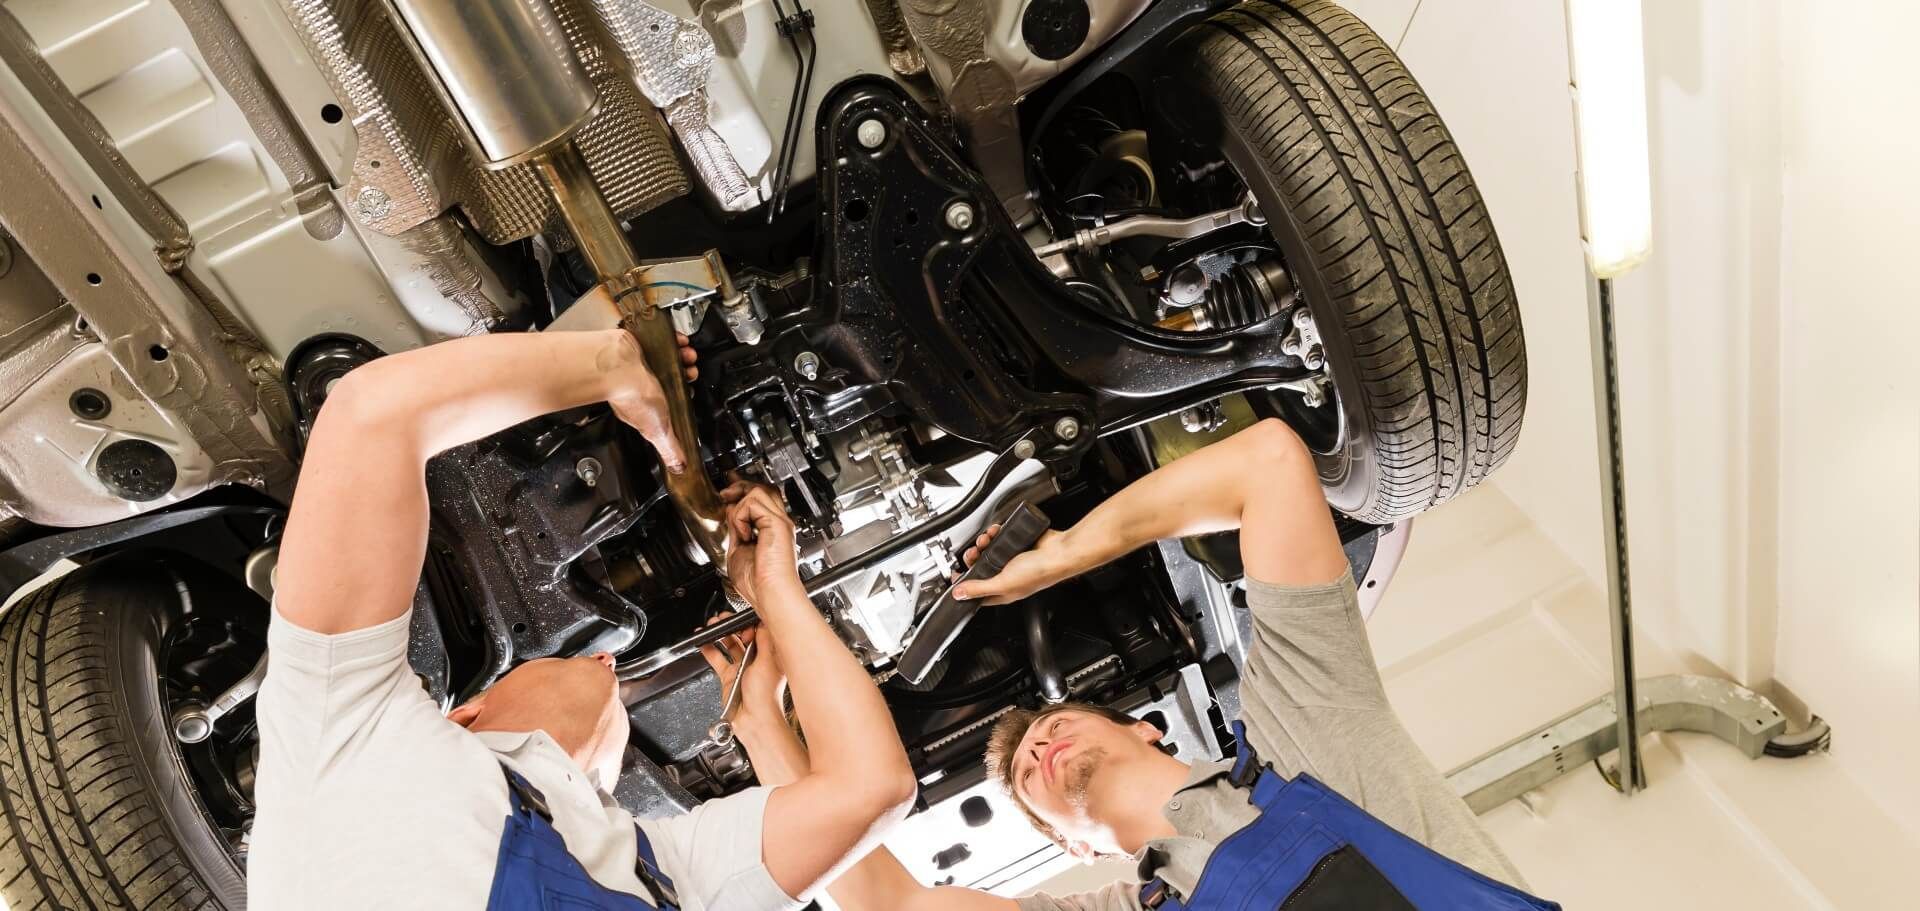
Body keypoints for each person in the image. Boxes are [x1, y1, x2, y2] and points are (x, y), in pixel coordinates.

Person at [704, 418, 1560, 910]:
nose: (1038, 750)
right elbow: (887, 902)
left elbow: (1269, 463)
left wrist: (1068, 547)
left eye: (1048, 726)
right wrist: (763, 725)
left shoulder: (1310, 734)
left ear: (1146, 727)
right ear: (1065, 844)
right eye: (1027, 779)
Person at [248, 311, 918, 910]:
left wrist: (608, 366)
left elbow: (368, 415)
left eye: (577, 655)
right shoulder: (664, 873)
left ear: (466, 711)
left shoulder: (346, 739)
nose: (608, 657)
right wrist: (777, 590)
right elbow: (870, 789)